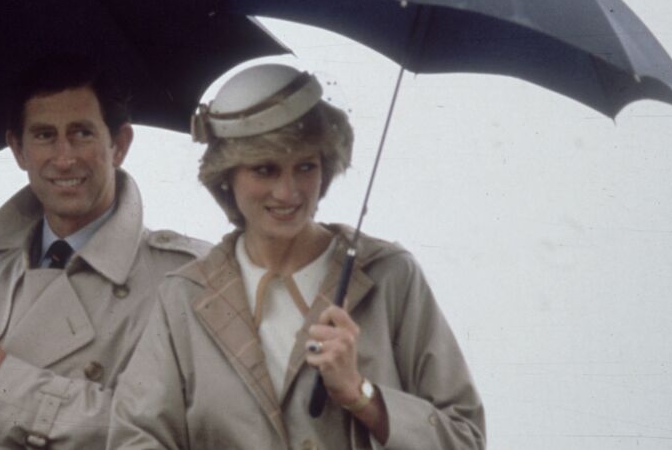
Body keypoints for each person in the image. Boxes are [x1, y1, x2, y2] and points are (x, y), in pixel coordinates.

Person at [108, 63, 485, 449]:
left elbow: (465, 438)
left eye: (305, 166)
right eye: (265, 170)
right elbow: (135, 438)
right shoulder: (185, 296)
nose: (287, 193)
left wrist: (361, 395)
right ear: (226, 177)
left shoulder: (391, 277)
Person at [0, 55, 208, 448]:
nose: (64, 157)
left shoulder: (184, 282)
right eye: (43, 135)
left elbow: (182, 434)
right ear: (18, 150)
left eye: (82, 133)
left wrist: (6, 378)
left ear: (119, 144)